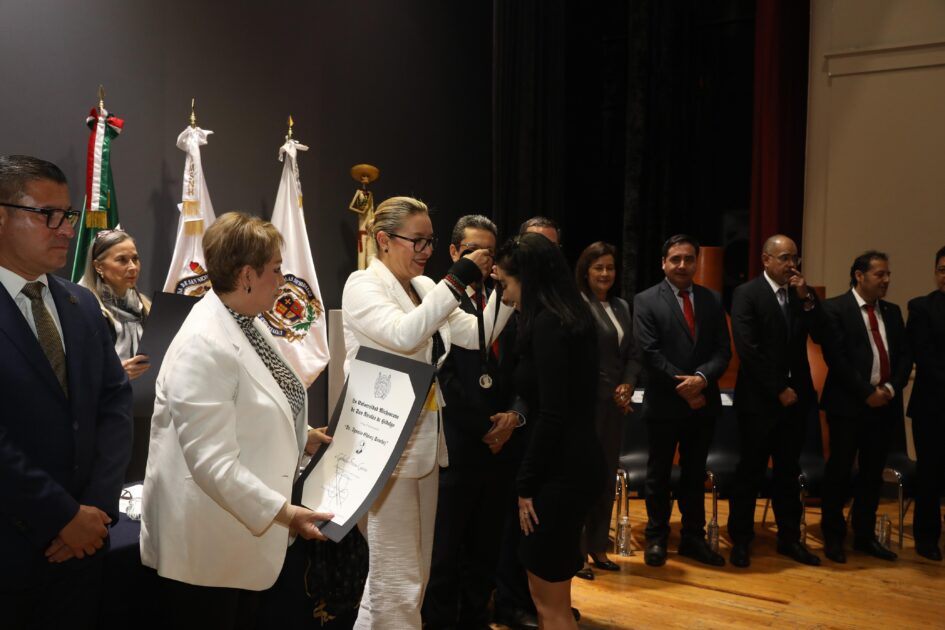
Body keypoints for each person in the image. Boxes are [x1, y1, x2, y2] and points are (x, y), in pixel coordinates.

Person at [140, 212, 334, 628]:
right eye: (277, 269)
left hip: (239, 538)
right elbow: (213, 463)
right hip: (207, 545)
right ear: (247, 274)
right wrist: (287, 514)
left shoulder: (244, 319)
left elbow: (260, 401)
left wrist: (302, 435)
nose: (282, 279)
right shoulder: (204, 344)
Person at [341, 196, 512, 629]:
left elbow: (477, 335)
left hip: (422, 445)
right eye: (416, 241)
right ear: (383, 240)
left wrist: (509, 291)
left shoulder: (421, 288)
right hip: (382, 446)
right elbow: (404, 334)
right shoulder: (362, 285)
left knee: (414, 575)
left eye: (429, 241)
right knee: (395, 579)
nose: (425, 251)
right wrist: (458, 279)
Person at [0, 154, 133, 629]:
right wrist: (61, 516)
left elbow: (115, 403)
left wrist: (95, 510)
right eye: (47, 215)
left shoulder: (79, 304)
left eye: (69, 215)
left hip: (86, 546)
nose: (65, 229)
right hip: (12, 551)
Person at [493, 232, 606, 630]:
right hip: (578, 464)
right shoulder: (573, 318)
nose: (504, 295)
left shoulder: (548, 325)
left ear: (527, 277)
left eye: (505, 283)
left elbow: (553, 415)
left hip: (558, 474)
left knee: (549, 605)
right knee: (555, 595)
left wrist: (526, 485)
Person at [423, 214, 524, 629]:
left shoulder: (511, 297)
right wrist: (485, 426)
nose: (482, 261)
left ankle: (477, 619)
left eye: (489, 253)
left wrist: (513, 416)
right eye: (472, 252)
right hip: (459, 445)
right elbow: (442, 377)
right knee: (446, 552)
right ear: (453, 253)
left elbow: (524, 368)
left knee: (487, 549)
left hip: (503, 446)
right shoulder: (437, 299)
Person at [633, 234, 731, 568]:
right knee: (658, 475)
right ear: (663, 263)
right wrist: (686, 387)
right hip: (665, 403)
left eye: (689, 259)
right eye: (675, 259)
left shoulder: (712, 300)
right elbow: (649, 353)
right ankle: (657, 539)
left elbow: (723, 351)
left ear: (696, 262)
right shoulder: (646, 301)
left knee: (694, 474)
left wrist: (701, 380)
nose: (682, 265)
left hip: (703, 402)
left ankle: (693, 539)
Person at [727, 234, 823, 568]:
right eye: (784, 258)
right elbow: (748, 349)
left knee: (788, 472)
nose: (791, 264)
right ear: (766, 260)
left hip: (796, 402)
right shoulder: (746, 294)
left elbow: (821, 334)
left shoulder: (801, 295)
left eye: (794, 257)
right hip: (759, 401)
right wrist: (778, 388)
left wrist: (806, 299)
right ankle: (740, 540)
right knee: (749, 472)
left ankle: (789, 539)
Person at [819, 251, 912, 563]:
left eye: (888, 275)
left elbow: (903, 357)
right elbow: (837, 358)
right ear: (859, 275)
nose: (886, 280)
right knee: (840, 471)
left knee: (872, 474)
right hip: (848, 405)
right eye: (879, 274)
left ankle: (863, 535)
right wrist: (865, 393)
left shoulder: (892, 311)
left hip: (884, 405)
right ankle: (833, 536)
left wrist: (888, 387)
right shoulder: (835, 308)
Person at [573, 241, 641, 580]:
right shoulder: (577, 306)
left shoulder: (622, 306)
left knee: (605, 478)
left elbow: (633, 354)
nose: (605, 274)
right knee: (582, 479)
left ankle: (599, 547)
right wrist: (611, 392)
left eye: (610, 268)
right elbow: (581, 362)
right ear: (586, 270)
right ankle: (577, 553)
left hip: (616, 407)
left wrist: (627, 385)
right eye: (598, 267)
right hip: (587, 406)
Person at [907, 245, 945, 561]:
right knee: (930, 474)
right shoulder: (921, 307)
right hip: (931, 406)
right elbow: (925, 357)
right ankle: (926, 537)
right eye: (942, 269)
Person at [79, 229, 151, 380]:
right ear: (98, 266)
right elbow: (76, 371)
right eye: (122, 260)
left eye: (135, 259)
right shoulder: (83, 309)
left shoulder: (145, 305)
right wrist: (115, 374)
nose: (132, 267)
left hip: (145, 397)